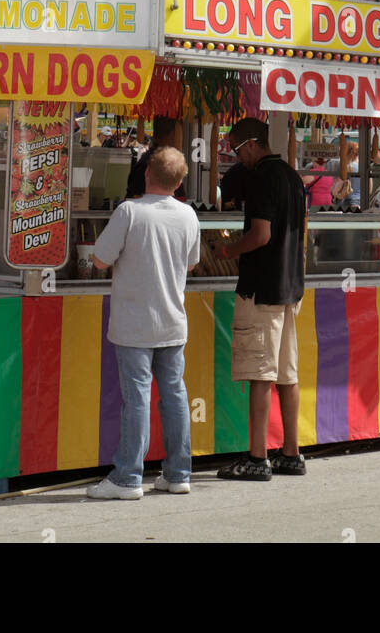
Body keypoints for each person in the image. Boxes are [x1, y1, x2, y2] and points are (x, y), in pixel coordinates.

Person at [87, 146, 201, 499]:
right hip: (172, 321)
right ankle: (178, 473)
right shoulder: (188, 215)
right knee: (175, 396)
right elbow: (191, 264)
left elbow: (99, 260)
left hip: (134, 323)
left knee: (136, 398)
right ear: (181, 181)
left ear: (147, 172)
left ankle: (127, 477)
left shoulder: (128, 212)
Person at [213, 118, 306, 481]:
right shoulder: (292, 176)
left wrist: (227, 250)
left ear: (252, 144)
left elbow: (261, 234)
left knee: (259, 374)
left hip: (262, 286)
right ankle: (291, 452)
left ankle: (257, 457)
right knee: (287, 373)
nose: (238, 159)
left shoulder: (262, 177)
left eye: (236, 151)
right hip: (289, 286)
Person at [125, 116, 185, 200]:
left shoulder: (169, 161)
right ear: (172, 135)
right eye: (180, 133)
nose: (182, 139)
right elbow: (135, 198)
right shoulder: (151, 163)